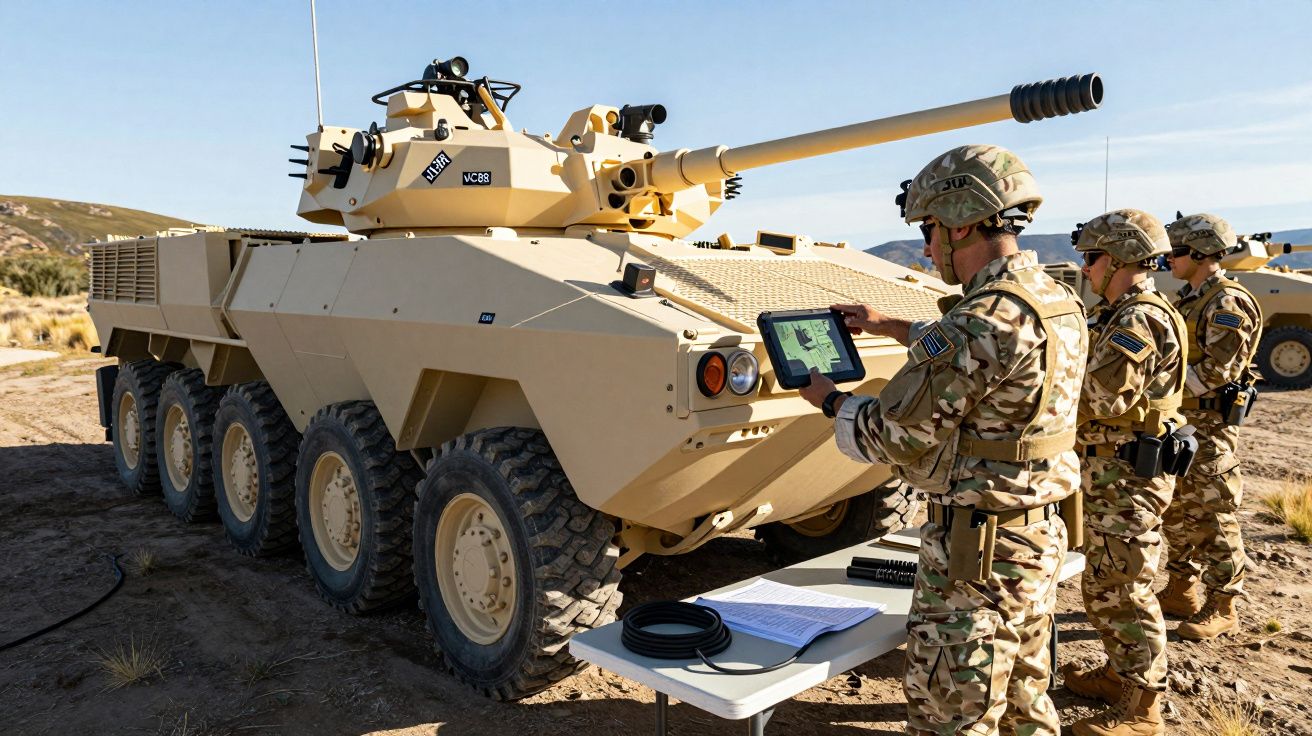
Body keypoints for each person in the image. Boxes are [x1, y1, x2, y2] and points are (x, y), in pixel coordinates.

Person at [800, 144, 1087, 736]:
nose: (928, 248)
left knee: (951, 717)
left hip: (978, 558)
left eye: (929, 230)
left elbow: (895, 437)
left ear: (960, 224)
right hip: (1035, 539)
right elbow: (986, 353)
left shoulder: (980, 319)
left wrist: (830, 401)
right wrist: (889, 325)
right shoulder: (1054, 298)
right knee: (1025, 703)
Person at [1062, 210, 1185, 736]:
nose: (1085, 268)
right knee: (1105, 583)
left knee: (1125, 587)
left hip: (1128, 478)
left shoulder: (1138, 320)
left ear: (1117, 259)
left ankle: (1143, 709)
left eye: (1091, 258)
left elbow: (1100, 396)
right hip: (1114, 474)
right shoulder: (1119, 313)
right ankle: (1121, 677)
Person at [1158, 213, 1262, 640]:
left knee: (1213, 515)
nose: (1168, 259)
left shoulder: (1228, 303)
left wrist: (1160, 390)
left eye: (1176, 252)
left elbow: (1218, 370)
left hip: (1209, 427)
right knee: (1177, 511)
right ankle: (1181, 590)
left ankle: (1223, 605)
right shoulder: (1190, 298)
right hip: (1183, 424)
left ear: (1201, 253)